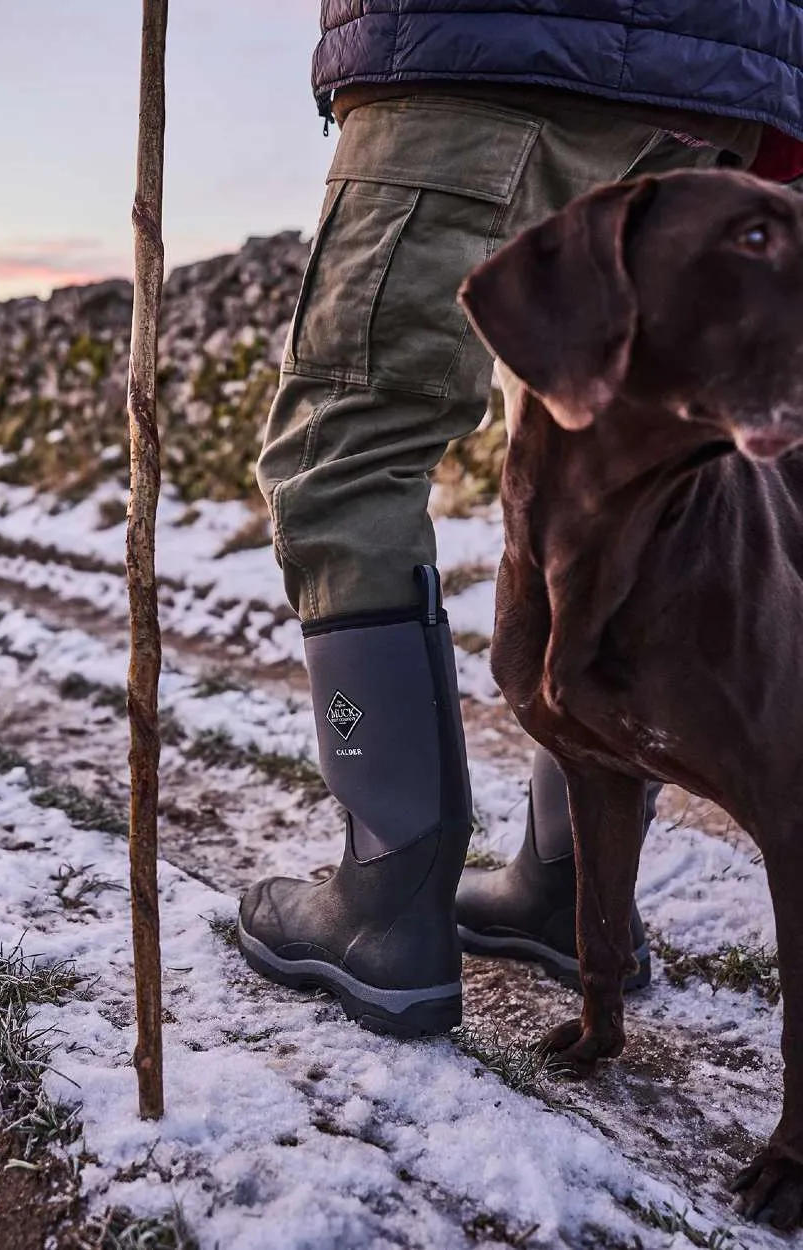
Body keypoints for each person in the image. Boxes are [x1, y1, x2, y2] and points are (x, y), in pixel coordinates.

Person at [236, 3, 803, 1038]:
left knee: (348, 444)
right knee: (588, 443)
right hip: (726, 74)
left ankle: (386, 901)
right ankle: (563, 879)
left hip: (497, 37)